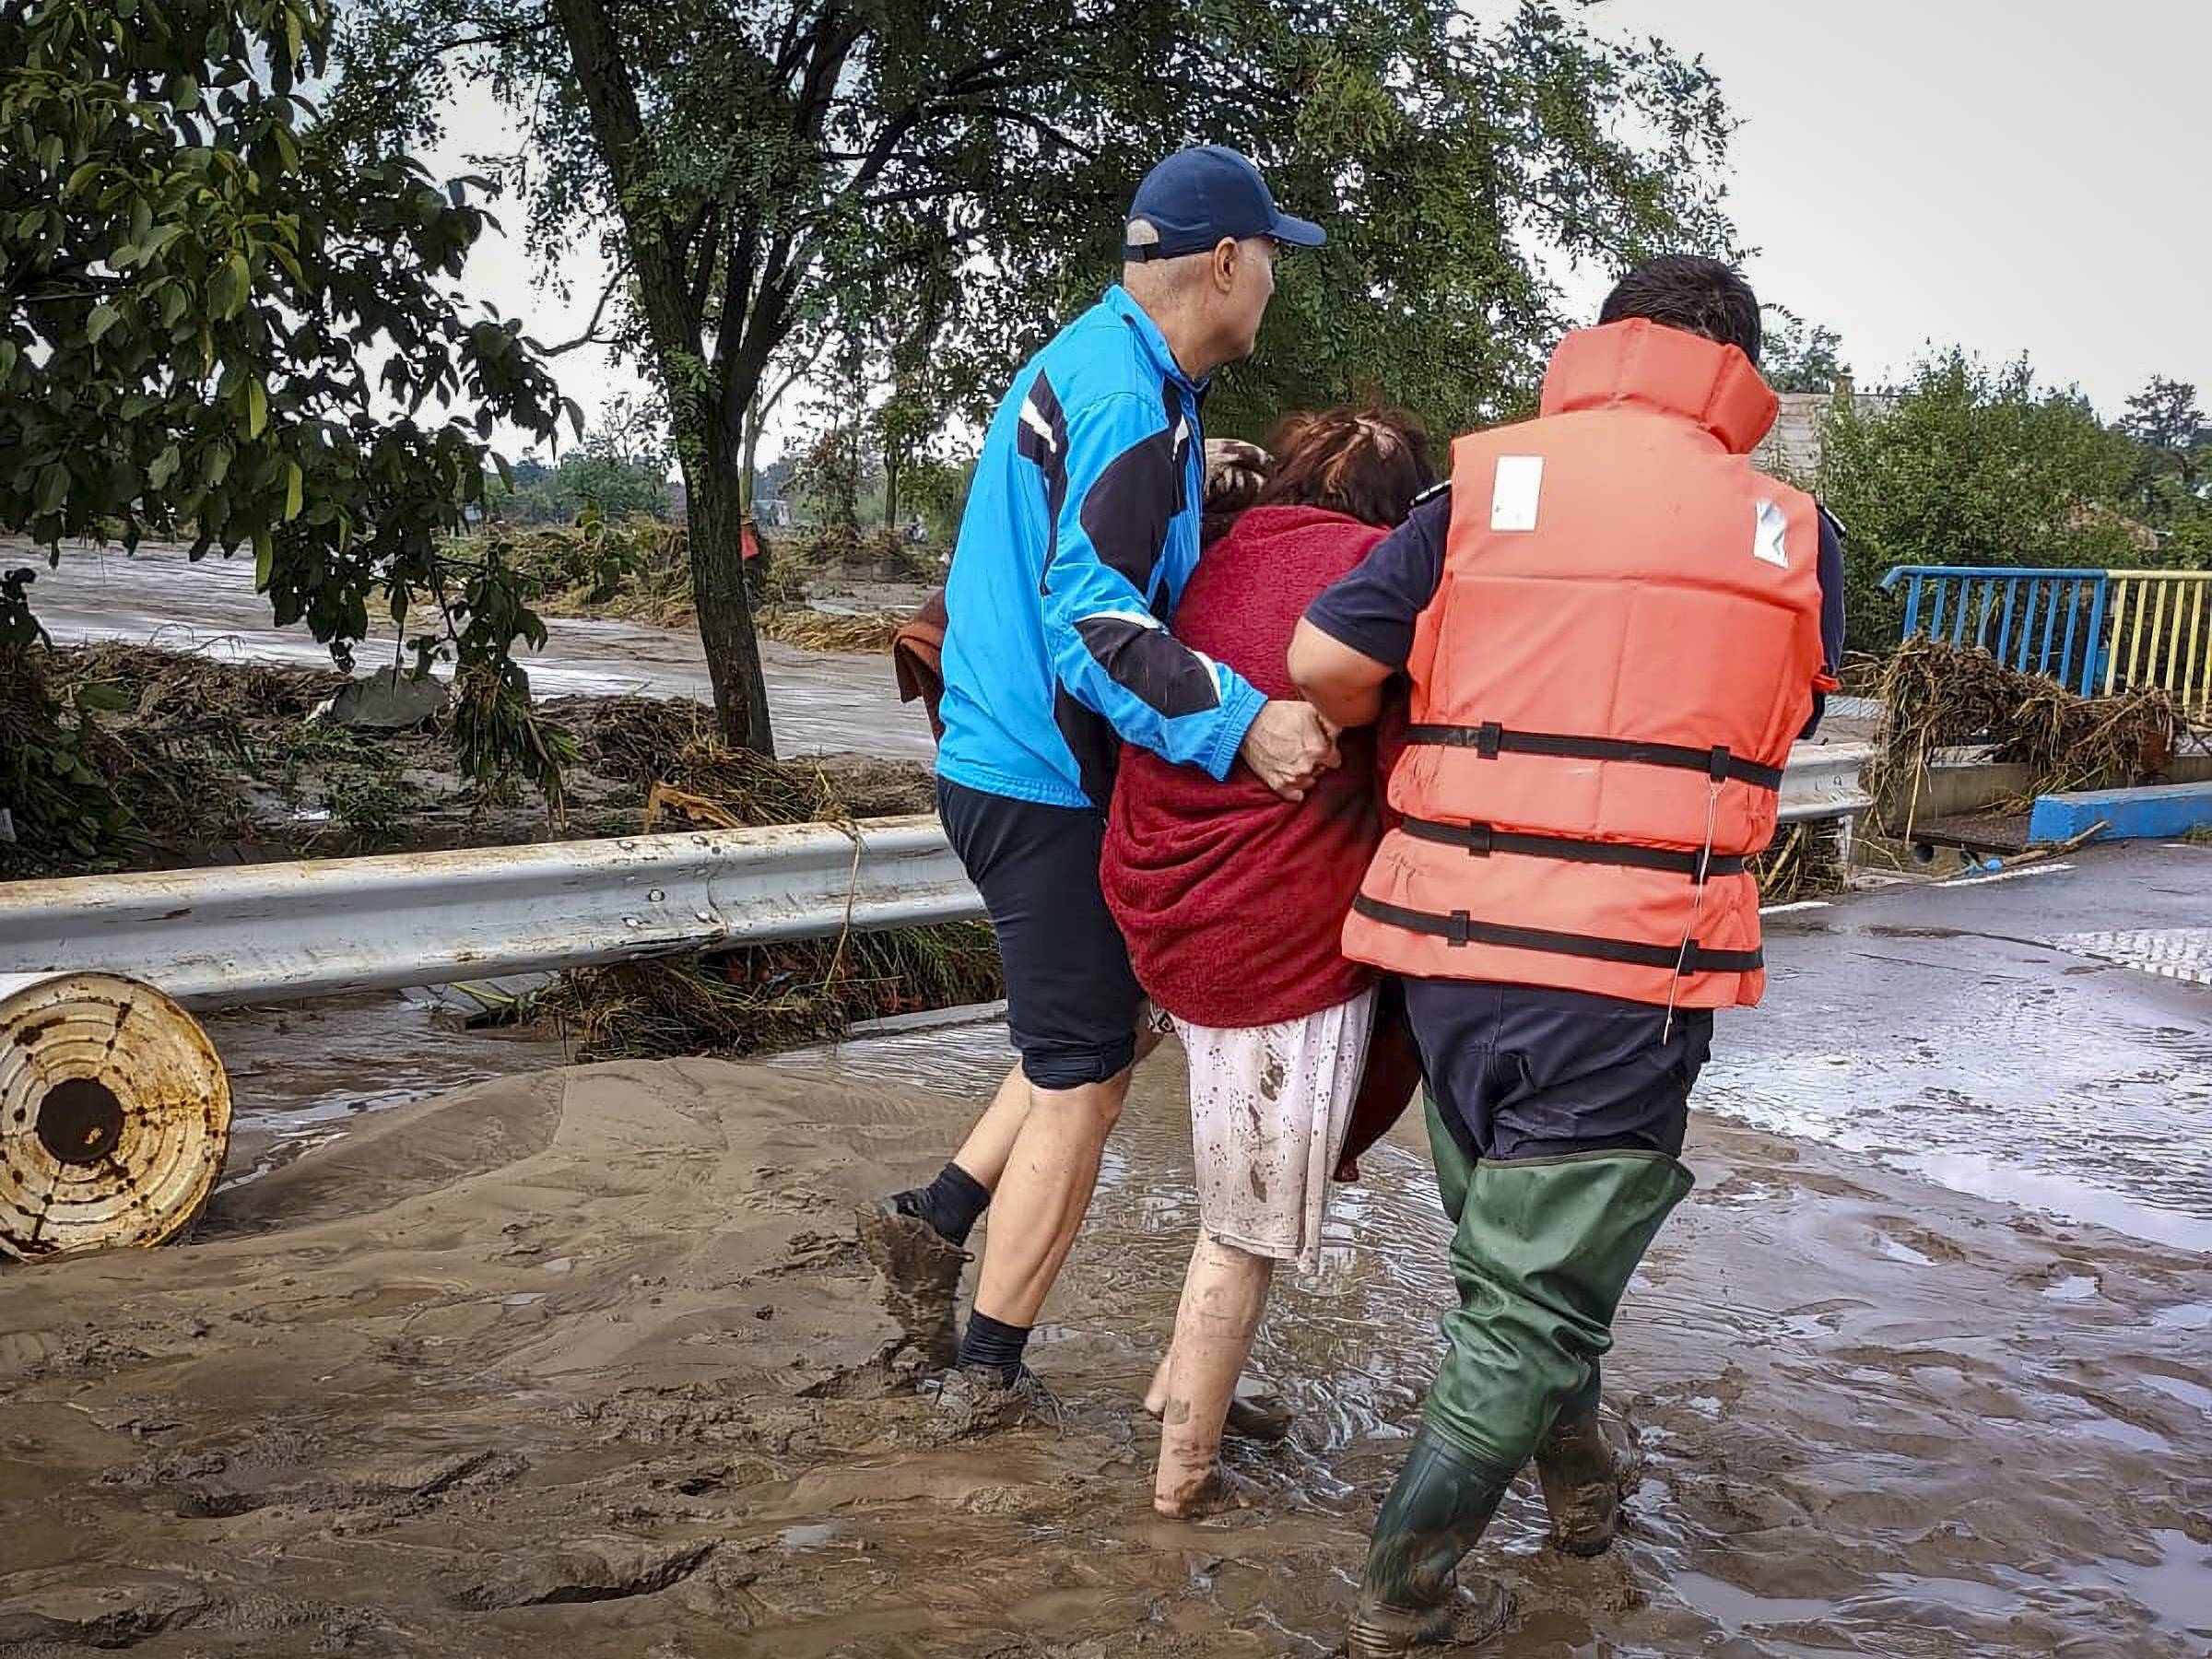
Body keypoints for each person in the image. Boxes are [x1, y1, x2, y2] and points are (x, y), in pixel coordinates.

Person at [1288, 255, 1844, 1653]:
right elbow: (1796, 715)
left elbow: (1322, 667)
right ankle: (1402, 1596)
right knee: (1532, 1290)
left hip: (1452, 953)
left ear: (1605, 343)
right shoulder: (1793, 531)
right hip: (1631, 967)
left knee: (1517, 1253)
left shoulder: (1475, 487)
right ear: (1738, 371)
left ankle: (1581, 1484)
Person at [860, 146, 1337, 1430]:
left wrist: (1207, 473)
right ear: (1226, 263)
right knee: (1085, 1077)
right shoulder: (1132, 402)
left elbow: (1103, 518)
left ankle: (937, 1217)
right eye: (1271, 259)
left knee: (1099, 1026)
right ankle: (984, 1370)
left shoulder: (1118, 370)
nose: (1275, 283)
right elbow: (1093, 625)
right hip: (1043, 779)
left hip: (1001, 757)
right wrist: (1244, 726)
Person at [1100, 407, 1435, 1517]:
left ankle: (1183, 1389)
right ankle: (1179, 1484)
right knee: (1242, 1233)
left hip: (1152, 909)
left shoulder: (1212, 553)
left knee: (1220, 1192)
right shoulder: (1378, 586)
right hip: (1265, 942)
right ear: (1402, 511)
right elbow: (1407, 781)